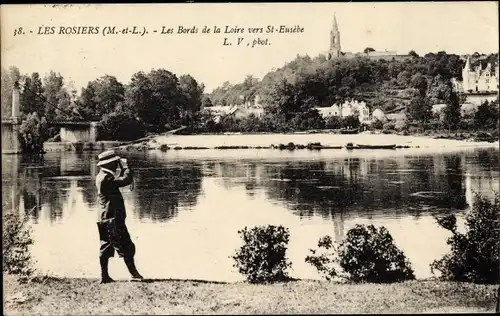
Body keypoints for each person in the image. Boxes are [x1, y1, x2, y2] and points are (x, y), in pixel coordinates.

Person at [95, 150, 143, 283]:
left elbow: (119, 181)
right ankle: (134, 275)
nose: (117, 164)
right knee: (127, 246)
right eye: (115, 162)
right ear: (110, 163)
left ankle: (104, 276)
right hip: (113, 219)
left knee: (106, 246)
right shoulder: (106, 178)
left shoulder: (102, 176)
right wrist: (126, 167)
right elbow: (126, 180)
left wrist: (122, 170)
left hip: (104, 218)